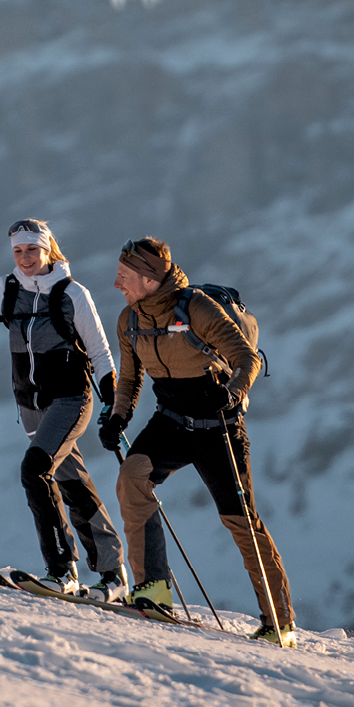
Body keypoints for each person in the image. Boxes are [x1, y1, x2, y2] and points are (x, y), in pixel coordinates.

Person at [99, 237, 298, 646]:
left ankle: (279, 623)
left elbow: (247, 358)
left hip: (218, 425)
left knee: (241, 521)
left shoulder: (197, 309)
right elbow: (131, 378)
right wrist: (118, 417)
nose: (116, 284)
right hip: (171, 420)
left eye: (123, 276)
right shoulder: (128, 320)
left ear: (149, 279)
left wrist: (235, 392)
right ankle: (153, 590)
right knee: (132, 477)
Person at [0, 219, 128, 601]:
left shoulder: (72, 293)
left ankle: (62, 571)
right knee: (71, 482)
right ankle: (113, 575)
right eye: (18, 251)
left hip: (71, 401)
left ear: (48, 250)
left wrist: (113, 400)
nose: (25, 258)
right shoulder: (6, 289)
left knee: (35, 470)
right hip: (30, 406)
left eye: (32, 250)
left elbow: (101, 353)